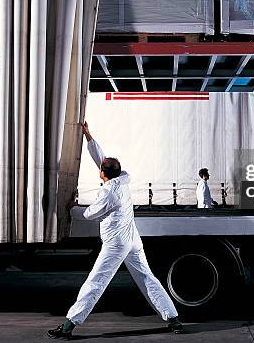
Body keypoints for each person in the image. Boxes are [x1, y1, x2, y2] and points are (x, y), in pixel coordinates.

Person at [48, 122, 185, 339]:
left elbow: (89, 214)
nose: (99, 169)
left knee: (96, 281)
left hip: (116, 244)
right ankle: (173, 319)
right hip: (132, 239)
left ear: (104, 173)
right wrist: (89, 138)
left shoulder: (108, 194)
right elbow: (101, 159)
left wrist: (71, 208)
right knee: (147, 277)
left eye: (100, 169)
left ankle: (69, 325)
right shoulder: (122, 180)